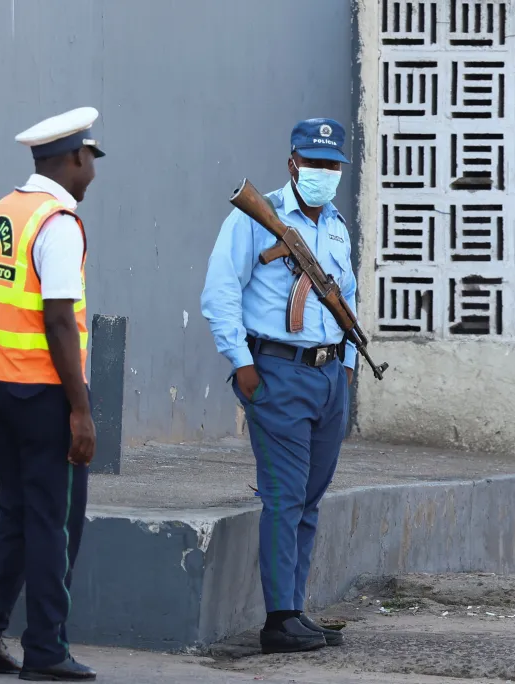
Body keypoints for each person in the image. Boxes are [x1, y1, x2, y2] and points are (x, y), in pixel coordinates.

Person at [0, 107, 103, 681]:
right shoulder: (58, 221)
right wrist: (81, 410)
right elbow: (60, 319)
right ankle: (46, 649)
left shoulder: (1, 212)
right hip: (43, 391)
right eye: (91, 159)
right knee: (54, 521)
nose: (93, 170)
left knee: (17, 513)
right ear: (71, 159)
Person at [201, 118, 356, 654]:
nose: (322, 173)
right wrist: (242, 364)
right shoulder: (254, 217)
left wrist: (349, 364)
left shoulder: (336, 226)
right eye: (312, 163)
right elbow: (220, 291)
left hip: (329, 374)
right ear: (292, 163)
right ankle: (279, 618)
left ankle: (297, 608)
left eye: (331, 165)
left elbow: (345, 298)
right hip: (278, 371)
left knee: (309, 499)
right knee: (285, 498)